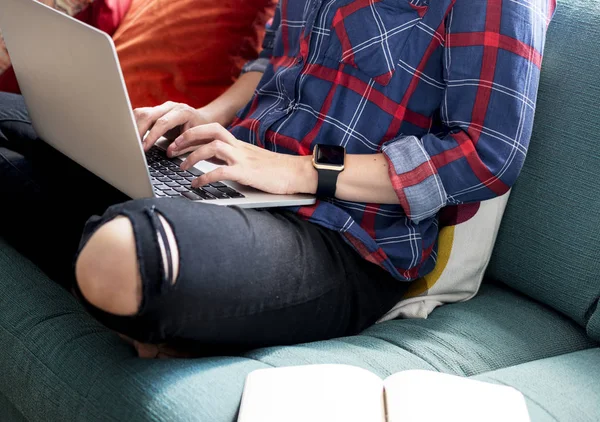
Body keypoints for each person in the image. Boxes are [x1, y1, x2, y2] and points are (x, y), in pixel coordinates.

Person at [0, 0, 555, 358]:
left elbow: (487, 152)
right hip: (231, 173)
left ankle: (150, 273)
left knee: (123, 254)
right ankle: (156, 296)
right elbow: (275, 62)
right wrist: (205, 116)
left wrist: (295, 171)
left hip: (342, 236)